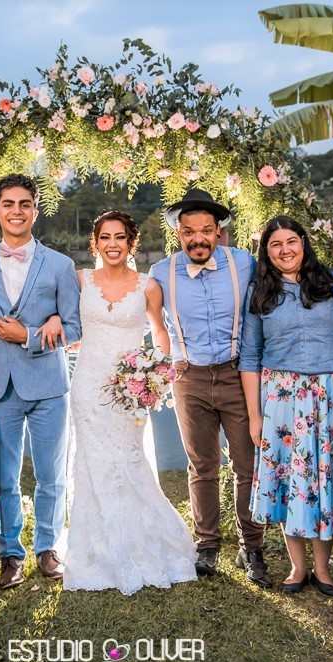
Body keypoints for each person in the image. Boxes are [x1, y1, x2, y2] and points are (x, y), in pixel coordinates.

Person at [64, 210, 198, 595]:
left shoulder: (147, 286)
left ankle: (141, 544)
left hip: (129, 387)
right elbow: (71, 324)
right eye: (104, 237)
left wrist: (157, 377)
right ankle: (94, 552)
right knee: (91, 463)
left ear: (130, 242)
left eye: (119, 237)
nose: (112, 244)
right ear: (95, 243)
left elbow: (160, 333)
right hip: (88, 385)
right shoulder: (79, 280)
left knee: (128, 461)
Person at [145, 189, 271, 589]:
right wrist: (165, 363)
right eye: (188, 232)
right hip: (191, 380)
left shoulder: (244, 264)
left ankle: (251, 547)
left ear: (218, 232)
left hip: (237, 375)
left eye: (205, 230)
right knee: (202, 466)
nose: (197, 238)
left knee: (247, 466)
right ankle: (208, 545)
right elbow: (153, 327)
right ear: (178, 235)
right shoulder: (160, 272)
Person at [0, 174, 81, 589]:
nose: (17, 211)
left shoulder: (60, 264)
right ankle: (9, 553)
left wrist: (34, 333)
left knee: (51, 474)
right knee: (4, 475)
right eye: (9, 203)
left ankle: (48, 549)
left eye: (25, 204)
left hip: (49, 384)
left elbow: (75, 326)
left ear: (36, 210)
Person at [239, 216, 333, 596]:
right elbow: (251, 356)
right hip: (282, 398)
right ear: (266, 251)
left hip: (330, 393)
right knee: (291, 480)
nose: (285, 249)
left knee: (323, 480)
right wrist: (256, 415)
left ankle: (323, 569)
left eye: (292, 241)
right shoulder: (259, 292)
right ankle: (297, 568)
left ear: (304, 243)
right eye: (276, 244)